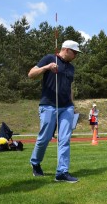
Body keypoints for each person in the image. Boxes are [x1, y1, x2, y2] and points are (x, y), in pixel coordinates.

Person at [29, 40, 81, 183]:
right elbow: (31, 74)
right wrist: (47, 67)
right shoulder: (49, 58)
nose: (76, 55)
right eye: (74, 52)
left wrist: (72, 104)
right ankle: (35, 162)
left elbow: (70, 87)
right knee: (44, 138)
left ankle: (62, 172)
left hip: (67, 107)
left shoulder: (71, 68)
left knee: (64, 139)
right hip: (49, 105)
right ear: (66, 49)